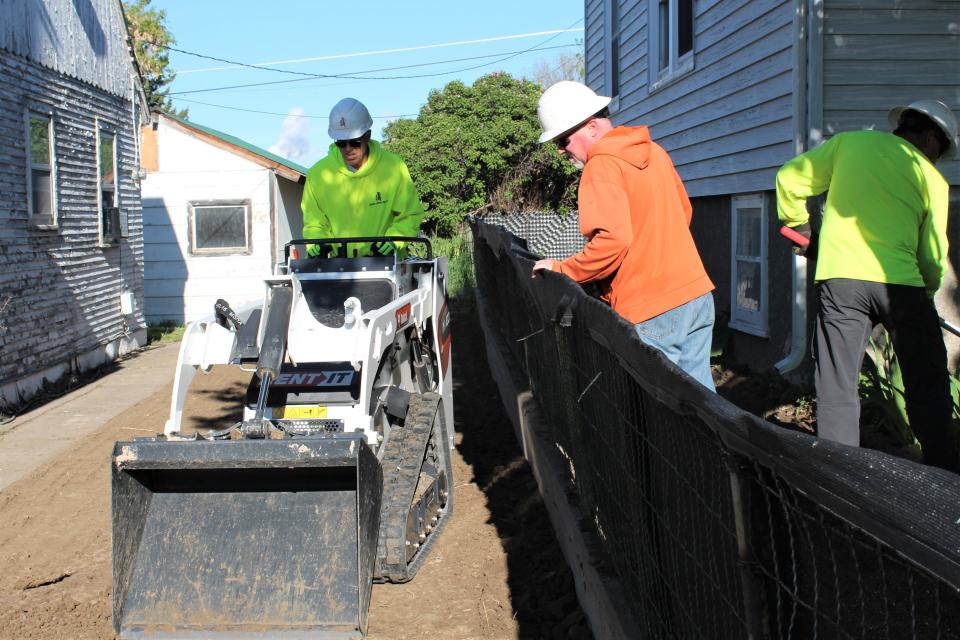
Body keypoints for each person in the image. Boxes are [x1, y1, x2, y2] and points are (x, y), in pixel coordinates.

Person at [776, 99, 959, 472]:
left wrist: (802, 228)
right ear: (928, 139)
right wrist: (927, 288)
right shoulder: (931, 179)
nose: (936, 159)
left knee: (838, 384)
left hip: (841, 279)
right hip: (902, 286)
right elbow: (933, 254)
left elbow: (789, 179)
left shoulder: (849, 145)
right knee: (928, 382)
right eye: (939, 150)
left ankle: (838, 478)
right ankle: (943, 476)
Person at [531, 81, 716, 391]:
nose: (561, 150)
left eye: (563, 140)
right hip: (695, 295)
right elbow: (683, 212)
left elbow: (613, 241)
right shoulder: (654, 152)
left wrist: (563, 270)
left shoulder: (601, 165)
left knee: (662, 415)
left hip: (652, 310)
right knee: (702, 411)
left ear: (591, 127)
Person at [301, 97, 425, 257]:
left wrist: (395, 239)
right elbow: (314, 224)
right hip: (340, 270)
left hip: (388, 267)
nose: (348, 149)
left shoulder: (393, 167)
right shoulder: (318, 175)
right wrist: (317, 243)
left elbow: (410, 214)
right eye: (341, 143)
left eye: (354, 142)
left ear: (367, 136)